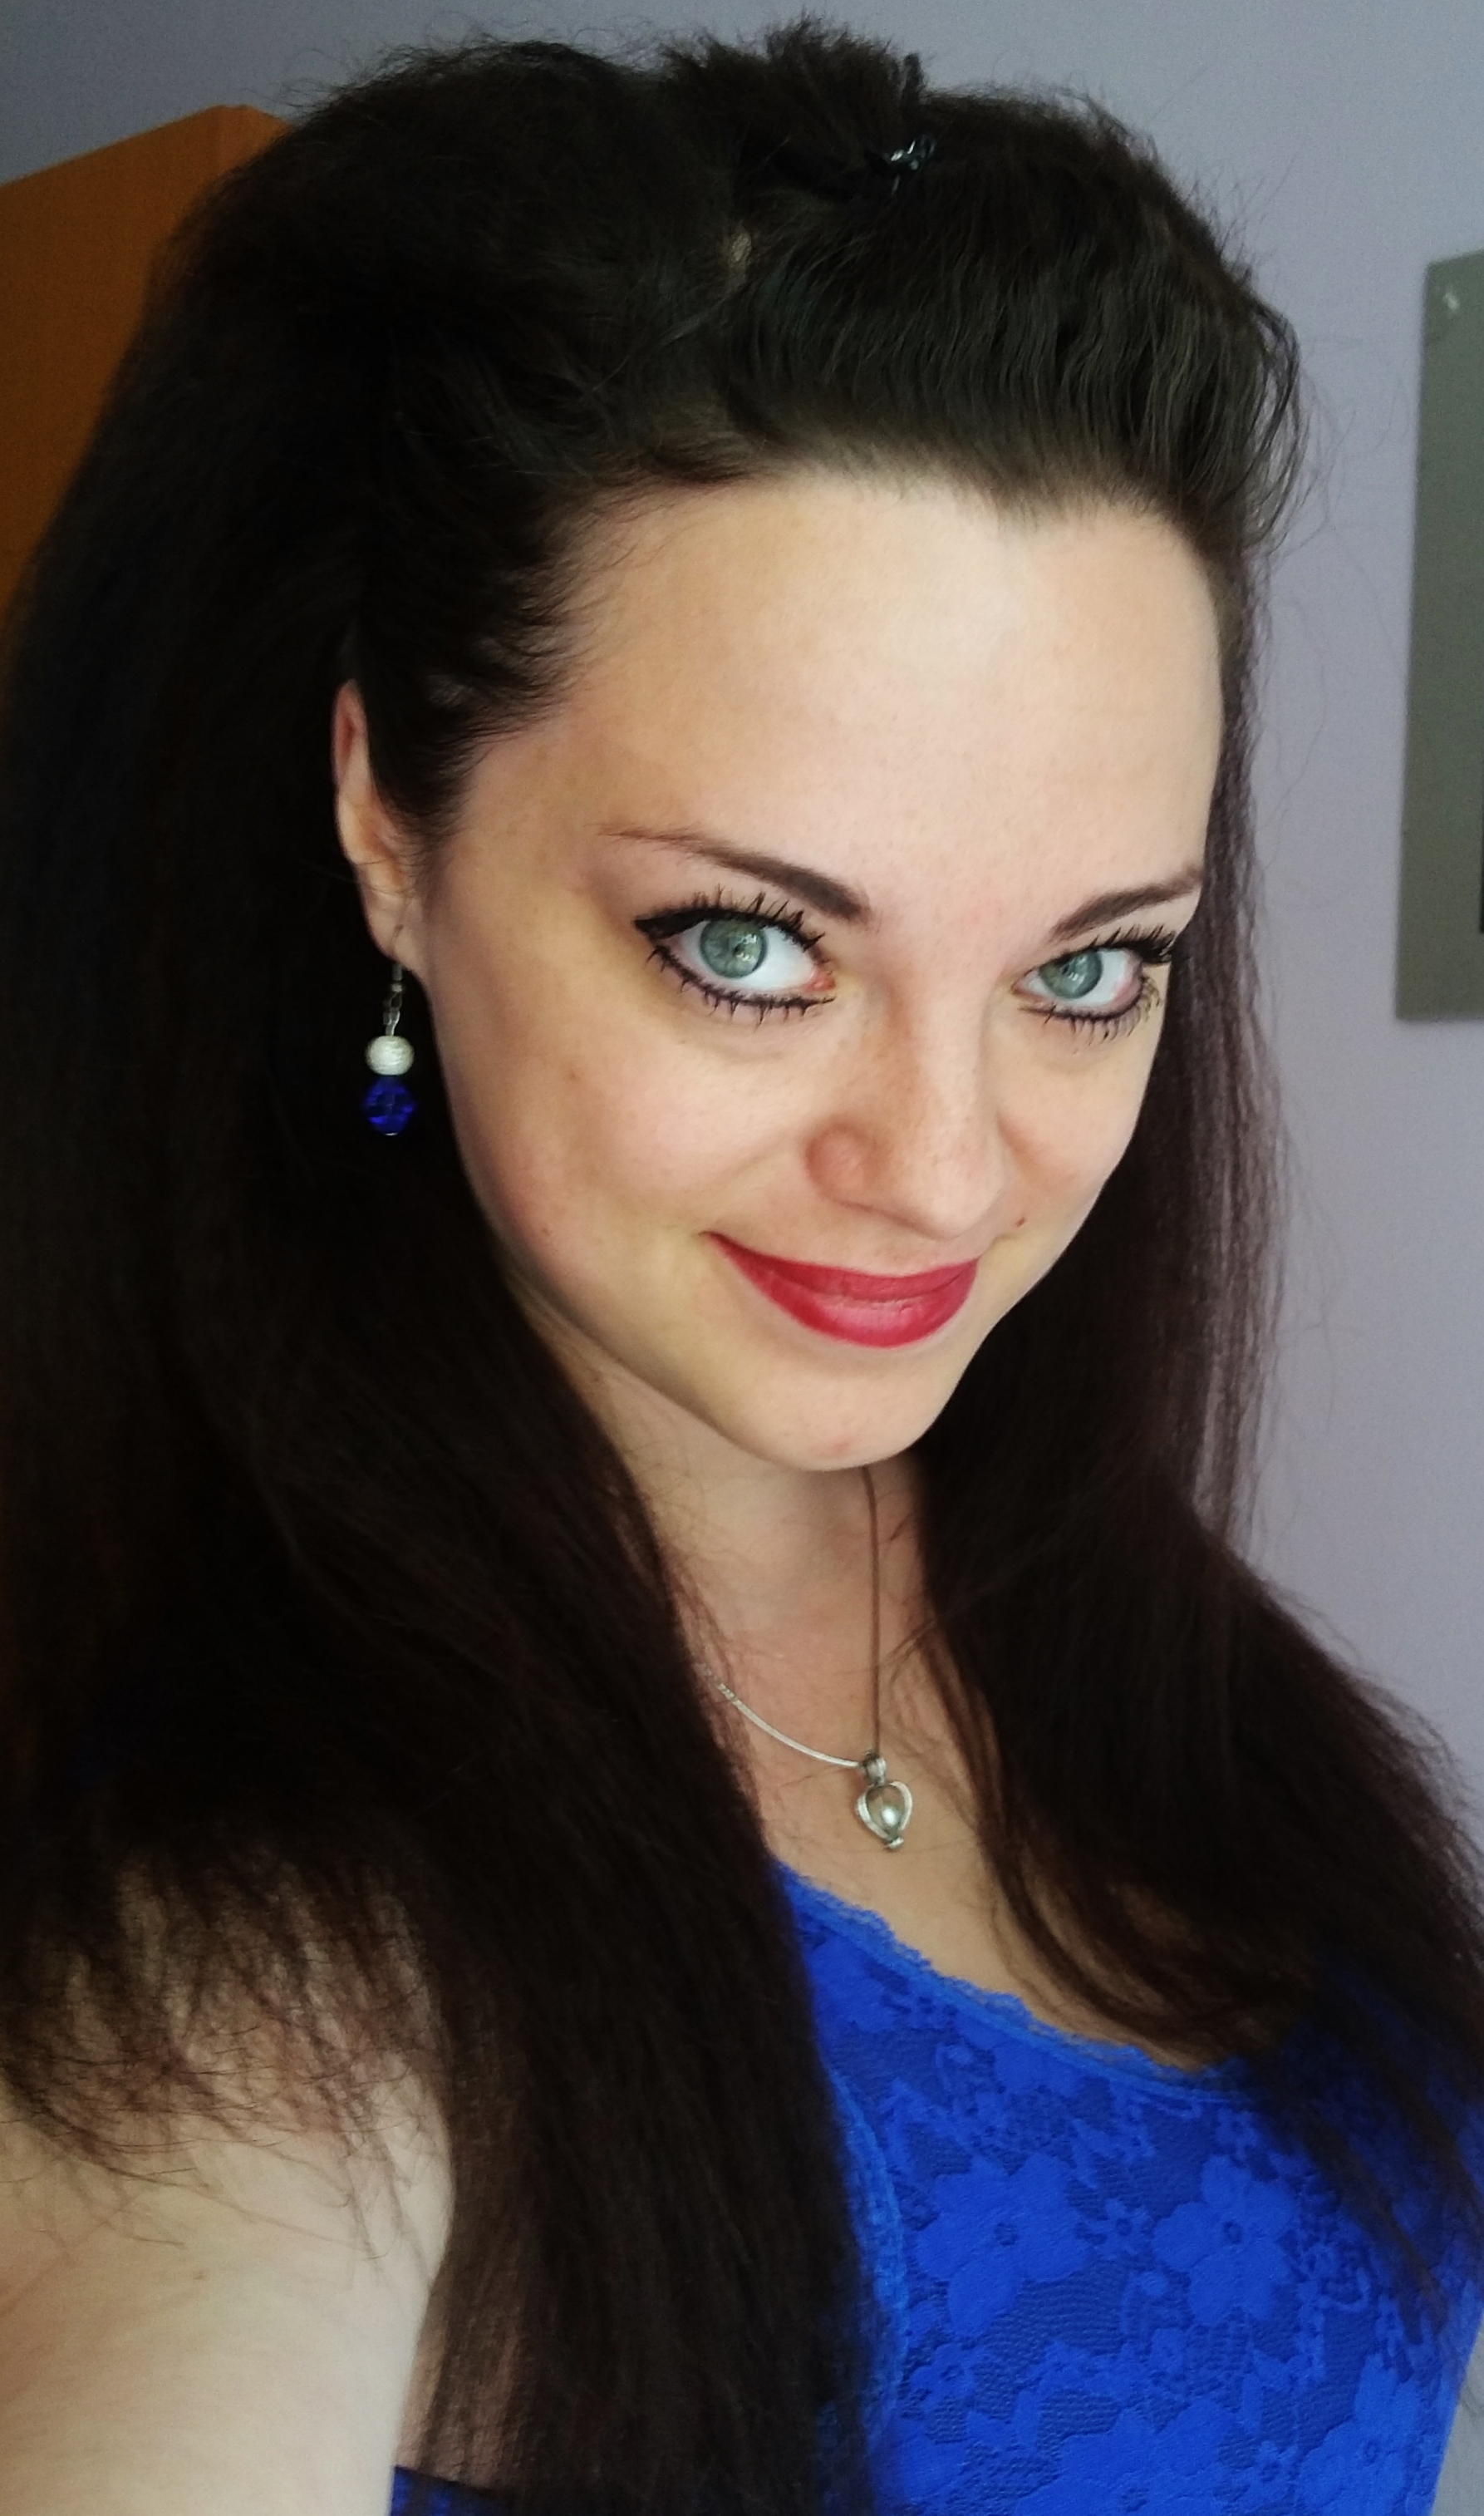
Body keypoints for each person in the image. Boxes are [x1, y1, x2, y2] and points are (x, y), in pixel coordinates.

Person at [2, 20, 1482, 2514]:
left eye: (1087, 965)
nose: (941, 1169)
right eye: (749, 944)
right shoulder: (248, 1957)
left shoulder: (1145, 1656)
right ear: (388, 825)